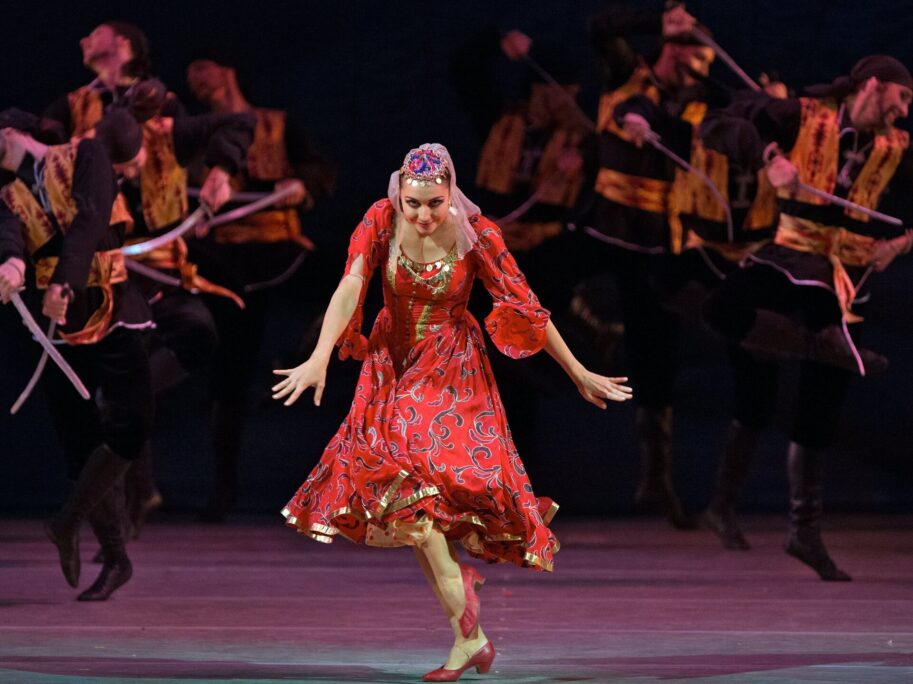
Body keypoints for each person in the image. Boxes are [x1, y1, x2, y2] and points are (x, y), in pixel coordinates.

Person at [271, 144, 631, 681]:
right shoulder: (380, 219)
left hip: (449, 367)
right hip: (391, 363)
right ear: (399, 195)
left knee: (414, 483)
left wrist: (578, 371)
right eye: (413, 203)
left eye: (434, 204)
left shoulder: (478, 234)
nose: (423, 215)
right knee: (410, 504)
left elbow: (528, 307)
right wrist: (320, 355)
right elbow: (352, 284)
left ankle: (465, 608)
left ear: (451, 195)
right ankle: (470, 637)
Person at [699, 55, 913, 579]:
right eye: (903, 97)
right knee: (723, 307)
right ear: (874, 85)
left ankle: (804, 532)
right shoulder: (803, 115)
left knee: (819, 411)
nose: (905, 110)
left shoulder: (897, 146)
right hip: (791, 260)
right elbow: (717, 124)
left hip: (847, 279)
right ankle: (822, 347)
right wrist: (769, 155)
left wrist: (903, 243)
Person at [0, 108, 154, 600]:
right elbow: (10, 239)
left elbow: (91, 217)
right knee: (78, 441)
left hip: (109, 304)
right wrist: (11, 266)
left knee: (132, 424)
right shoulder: (5, 193)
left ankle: (66, 521)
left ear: (11, 132)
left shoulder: (84, 154)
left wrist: (65, 281)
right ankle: (115, 556)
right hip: (58, 325)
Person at [186, 56, 336, 521]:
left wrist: (301, 184)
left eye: (203, 67)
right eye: (190, 72)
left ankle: (302, 354)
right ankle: (223, 487)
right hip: (225, 259)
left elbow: (321, 171)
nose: (196, 78)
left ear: (227, 68)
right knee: (229, 368)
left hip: (279, 248)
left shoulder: (275, 123)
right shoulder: (197, 131)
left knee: (349, 284)